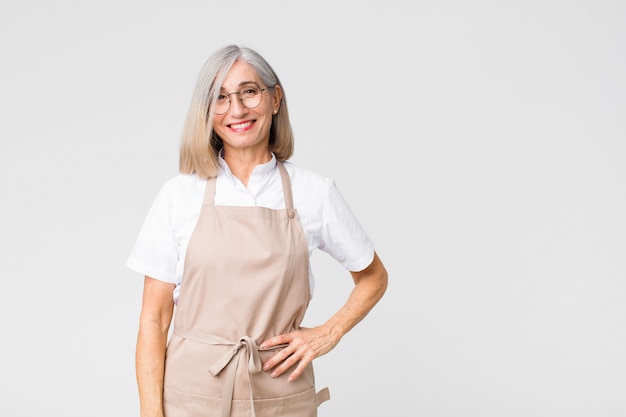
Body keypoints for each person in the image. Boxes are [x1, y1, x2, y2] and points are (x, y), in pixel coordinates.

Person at [127, 44, 388, 417]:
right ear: (207, 111)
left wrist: (329, 332)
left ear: (275, 98)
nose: (236, 110)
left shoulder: (315, 193)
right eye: (220, 97)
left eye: (249, 92)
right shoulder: (178, 196)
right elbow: (154, 319)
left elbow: (374, 276)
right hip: (190, 397)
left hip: (282, 394)